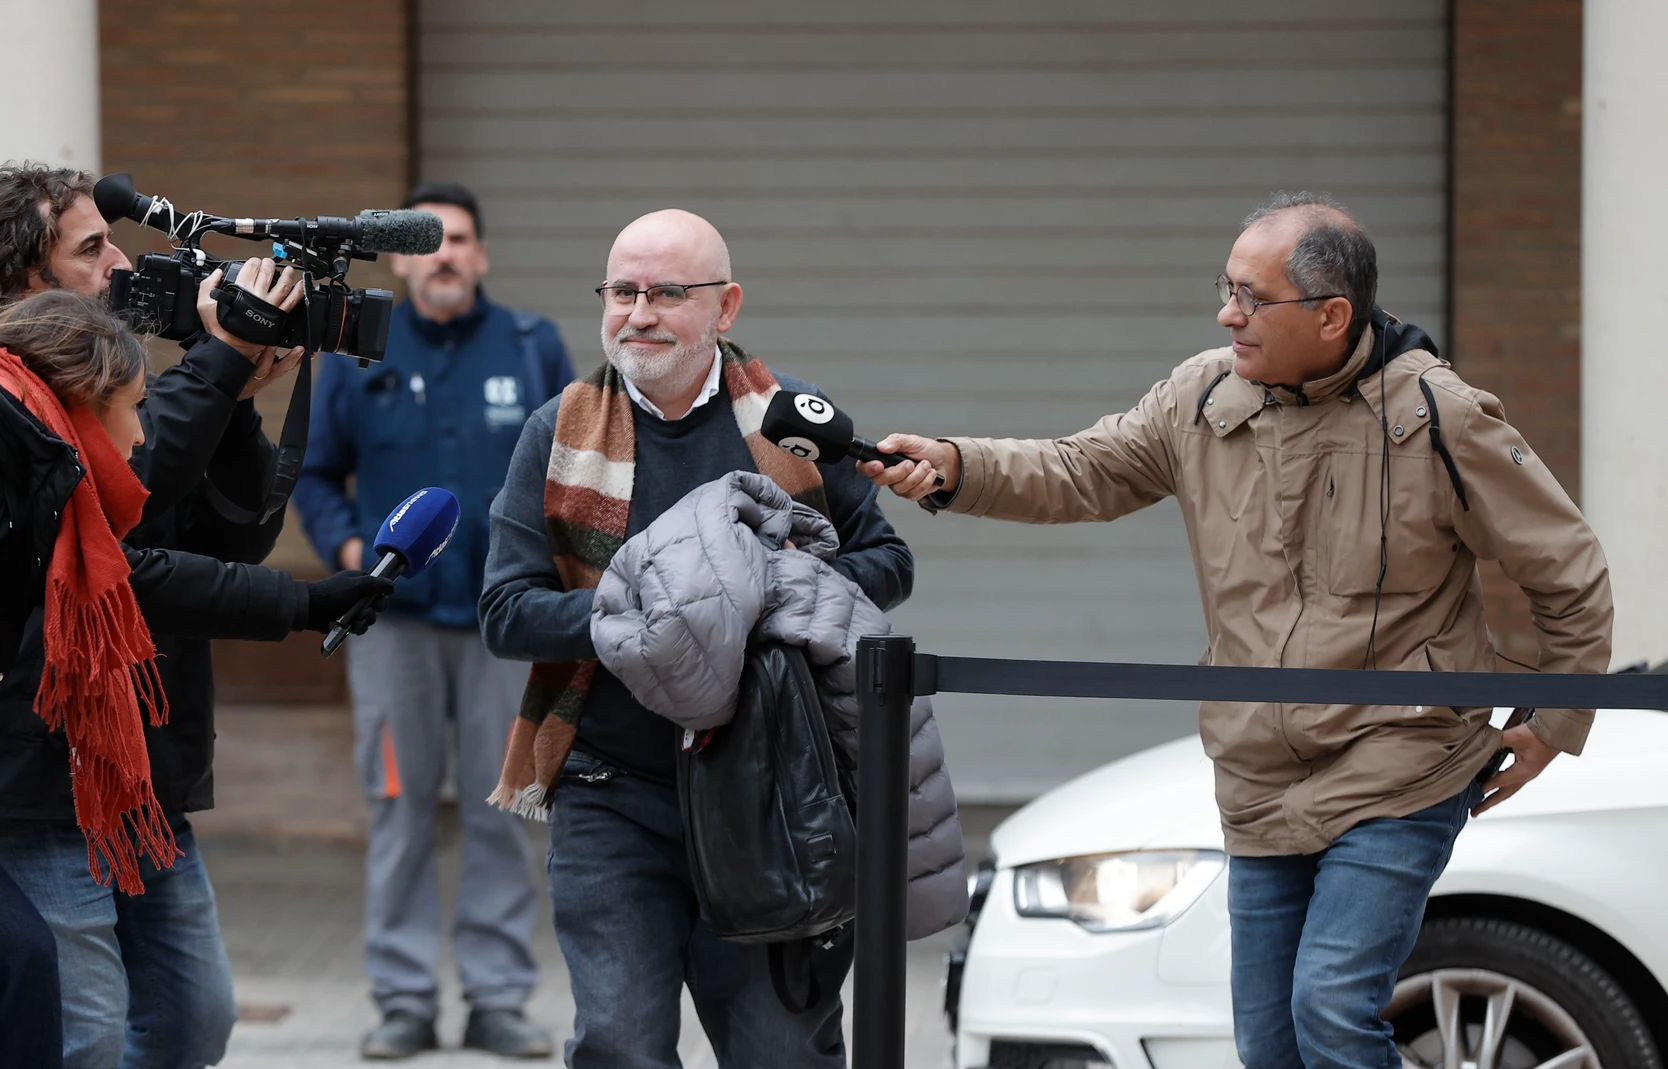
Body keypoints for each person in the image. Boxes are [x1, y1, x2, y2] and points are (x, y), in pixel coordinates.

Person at [865, 192, 1614, 1067]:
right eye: (1225, 289)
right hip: (1255, 776)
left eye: (1252, 298)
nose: (1228, 314)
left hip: (1399, 765)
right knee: (1268, 1043)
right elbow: (1083, 470)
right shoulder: (1201, 394)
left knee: (1331, 1006)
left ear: (1333, 316)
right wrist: (960, 468)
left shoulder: (1437, 415)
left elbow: (1566, 565)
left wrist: (1557, 725)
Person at [0, 291, 393, 1068]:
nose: (140, 436)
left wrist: (302, 603)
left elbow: (128, 579)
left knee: (23, 962)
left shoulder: (26, 478)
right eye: (132, 409)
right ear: (77, 401)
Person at [478, 210, 918, 1067]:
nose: (638, 312)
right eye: (621, 290)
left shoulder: (793, 423)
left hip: (773, 790)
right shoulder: (558, 431)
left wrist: (762, 597)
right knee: (618, 1043)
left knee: (779, 1049)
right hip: (610, 791)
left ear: (726, 307)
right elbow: (506, 611)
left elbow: (888, 562)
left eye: (667, 292)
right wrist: (654, 617)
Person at [0, 163, 305, 1069]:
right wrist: (218, 361)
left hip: (145, 773)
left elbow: (229, 541)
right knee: (84, 1032)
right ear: (27, 275)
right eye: (92, 249)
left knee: (194, 1018)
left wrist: (240, 401)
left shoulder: (126, 389)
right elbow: (123, 483)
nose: (119, 267)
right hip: (36, 770)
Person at [294, 181, 570, 1060]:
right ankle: (404, 997)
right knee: (400, 810)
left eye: (458, 240)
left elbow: (579, 474)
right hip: (394, 631)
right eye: (427, 241)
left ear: (481, 255)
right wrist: (346, 560)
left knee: (502, 812)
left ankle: (497, 997)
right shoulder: (355, 352)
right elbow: (312, 472)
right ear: (401, 257)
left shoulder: (530, 349)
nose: (443, 254)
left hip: (504, 629)